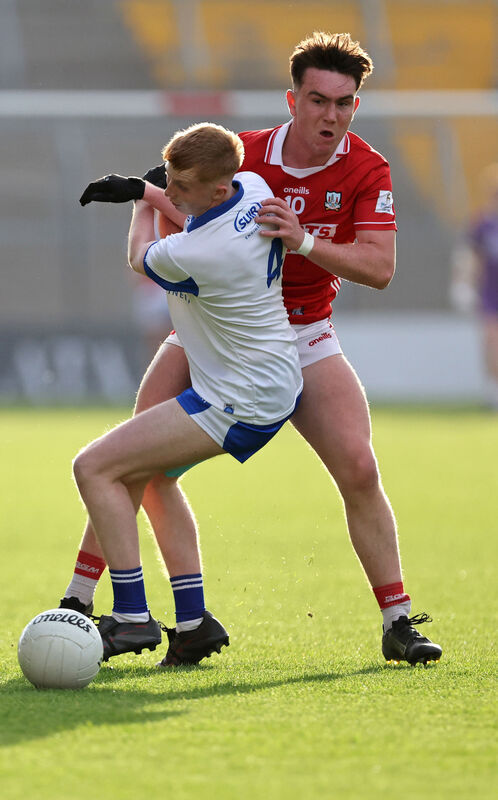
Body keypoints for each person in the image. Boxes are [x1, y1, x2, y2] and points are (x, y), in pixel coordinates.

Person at [63, 31, 443, 668]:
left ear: (355, 105)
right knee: (134, 459)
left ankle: (398, 620)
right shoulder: (246, 157)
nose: (330, 116)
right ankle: (84, 599)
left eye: (344, 103)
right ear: (292, 100)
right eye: (318, 100)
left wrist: (305, 241)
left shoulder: (366, 168)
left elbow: (380, 268)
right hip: (216, 330)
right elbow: (194, 213)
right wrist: (151, 192)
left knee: (359, 467)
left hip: (303, 334)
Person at [72, 122, 303, 663]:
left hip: (239, 398)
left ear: (217, 190)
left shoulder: (202, 253)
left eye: (180, 184)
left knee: (94, 467)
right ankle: (194, 623)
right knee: (153, 477)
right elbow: (195, 214)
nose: (169, 190)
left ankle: (132, 618)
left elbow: (141, 255)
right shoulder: (252, 186)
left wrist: (140, 201)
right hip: (267, 379)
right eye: (168, 179)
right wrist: (153, 189)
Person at [451, 163, 498, 409]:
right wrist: (463, 284)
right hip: (491, 292)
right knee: (492, 340)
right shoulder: (483, 225)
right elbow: (470, 257)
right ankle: (493, 390)